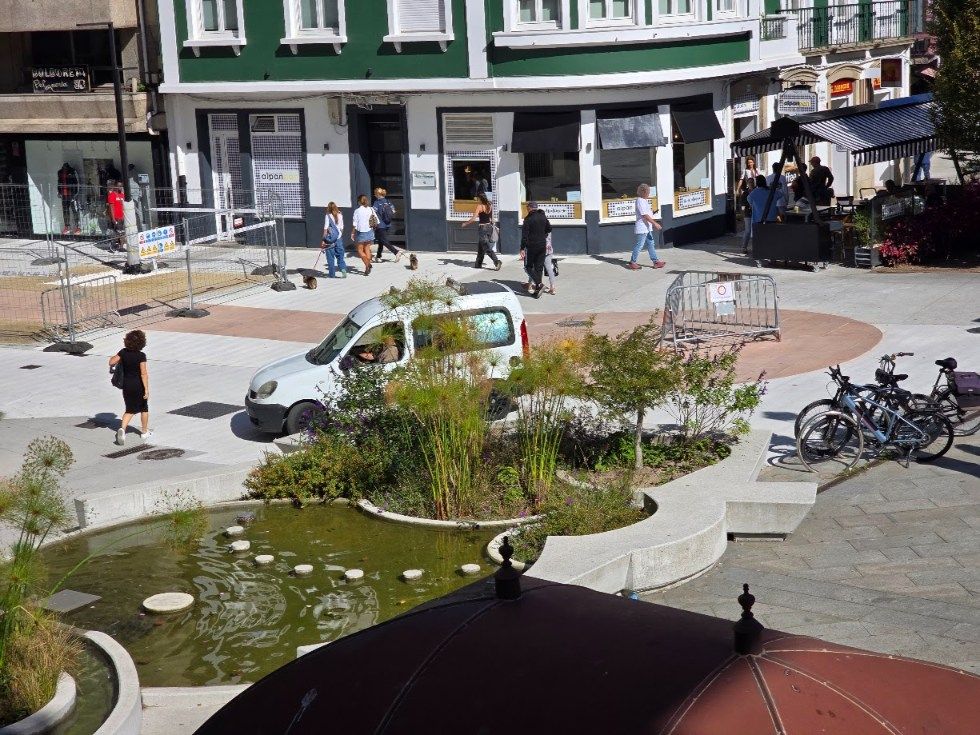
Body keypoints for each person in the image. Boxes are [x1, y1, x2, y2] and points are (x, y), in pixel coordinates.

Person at [109, 329, 151, 445]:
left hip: (126, 385)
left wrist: (114, 360)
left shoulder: (123, 352)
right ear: (142, 343)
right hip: (138, 385)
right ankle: (144, 432)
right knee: (144, 408)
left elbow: (111, 362)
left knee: (129, 409)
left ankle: (122, 429)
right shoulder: (141, 356)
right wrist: (146, 389)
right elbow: (143, 373)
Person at [629, 183, 665, 270]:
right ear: (644, 192)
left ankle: (656, 261)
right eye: (648, 191)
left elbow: (646, 213)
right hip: (642, 227)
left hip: (647, 227)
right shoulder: (640, 201)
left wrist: (652, 213)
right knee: (640, 245)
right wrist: (655, 223)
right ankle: (632, 262)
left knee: (650, 244)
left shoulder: (644, 201)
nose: (649, 193)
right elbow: (644, 215)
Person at [462, 192, 501, 271]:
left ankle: (497, 261)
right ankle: (478, 264)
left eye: (477, 198)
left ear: (480, 198)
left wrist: (465, 223)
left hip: (482, 228)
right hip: (489, 227)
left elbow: (473, 218)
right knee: (481, 246)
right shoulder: (490, 205)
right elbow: (492, 219)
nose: (477, 199)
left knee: (486, 246)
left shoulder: (480, 206)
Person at [520, 201, 551, 299]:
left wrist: (522, 248)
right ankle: (537, 290)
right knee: (539, 267)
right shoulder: (543, 216)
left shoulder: (528, 219)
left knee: (528, 267)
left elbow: (524, 236)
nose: (526, 209)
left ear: (529, 208)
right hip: (542, 244)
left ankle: (539, 284)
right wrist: (542, 234)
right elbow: (549, 228)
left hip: (532, 245)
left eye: (527, 207)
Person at [744, 175, 779, 254]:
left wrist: (754, 205)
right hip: (771, 217)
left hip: (758, 218)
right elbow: (780, 195)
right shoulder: (771, 190)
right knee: (770, 236)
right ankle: (771, 252)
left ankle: (760, 252)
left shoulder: (754, 192)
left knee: (759, 237)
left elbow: (749, 199)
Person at [372, 187, 404, 262]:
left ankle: (396, 252)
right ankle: (378, 256)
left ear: (377, 194)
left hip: (380, 225)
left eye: (375, 194)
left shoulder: (377, 202)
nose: (374, 195)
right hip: (387, 224)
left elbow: (373, 212)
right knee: (380, 240)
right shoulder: (388, 201)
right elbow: (393, 211)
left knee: (383, 240)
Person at [350, 194, 377, 276]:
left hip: (361, 232)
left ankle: (367, 265)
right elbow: (376, 220)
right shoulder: (371, 209)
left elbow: (355, 223)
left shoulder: (357, 211)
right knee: (367, 249)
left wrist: (352, 233)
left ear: (359, 202)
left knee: (360, 250)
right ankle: (367, 267)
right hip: (370, 230)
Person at [321, 201, 347, 278]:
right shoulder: (340, 215)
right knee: (340, 256)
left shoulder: (328, 216)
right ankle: (343, 270)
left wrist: (323, 240)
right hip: (338, 239)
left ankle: (332, 275)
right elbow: (342, 228)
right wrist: (339, 235)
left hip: (330, 240)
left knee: (330, 258)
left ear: (328, 208)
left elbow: (325, 229)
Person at [106, 180, 126, 252]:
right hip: (115, 217)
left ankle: (121, 247)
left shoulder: (122, 195)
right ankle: (112, 245)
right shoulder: (112, 195)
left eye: (121, 186)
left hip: (122, 217)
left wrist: (124, 216)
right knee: (114, 232)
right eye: (119, 186)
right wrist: (113, 218)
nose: (120, 187)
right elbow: (111, 207)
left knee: (122, 232)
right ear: (115, 186)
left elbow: (124, 206)